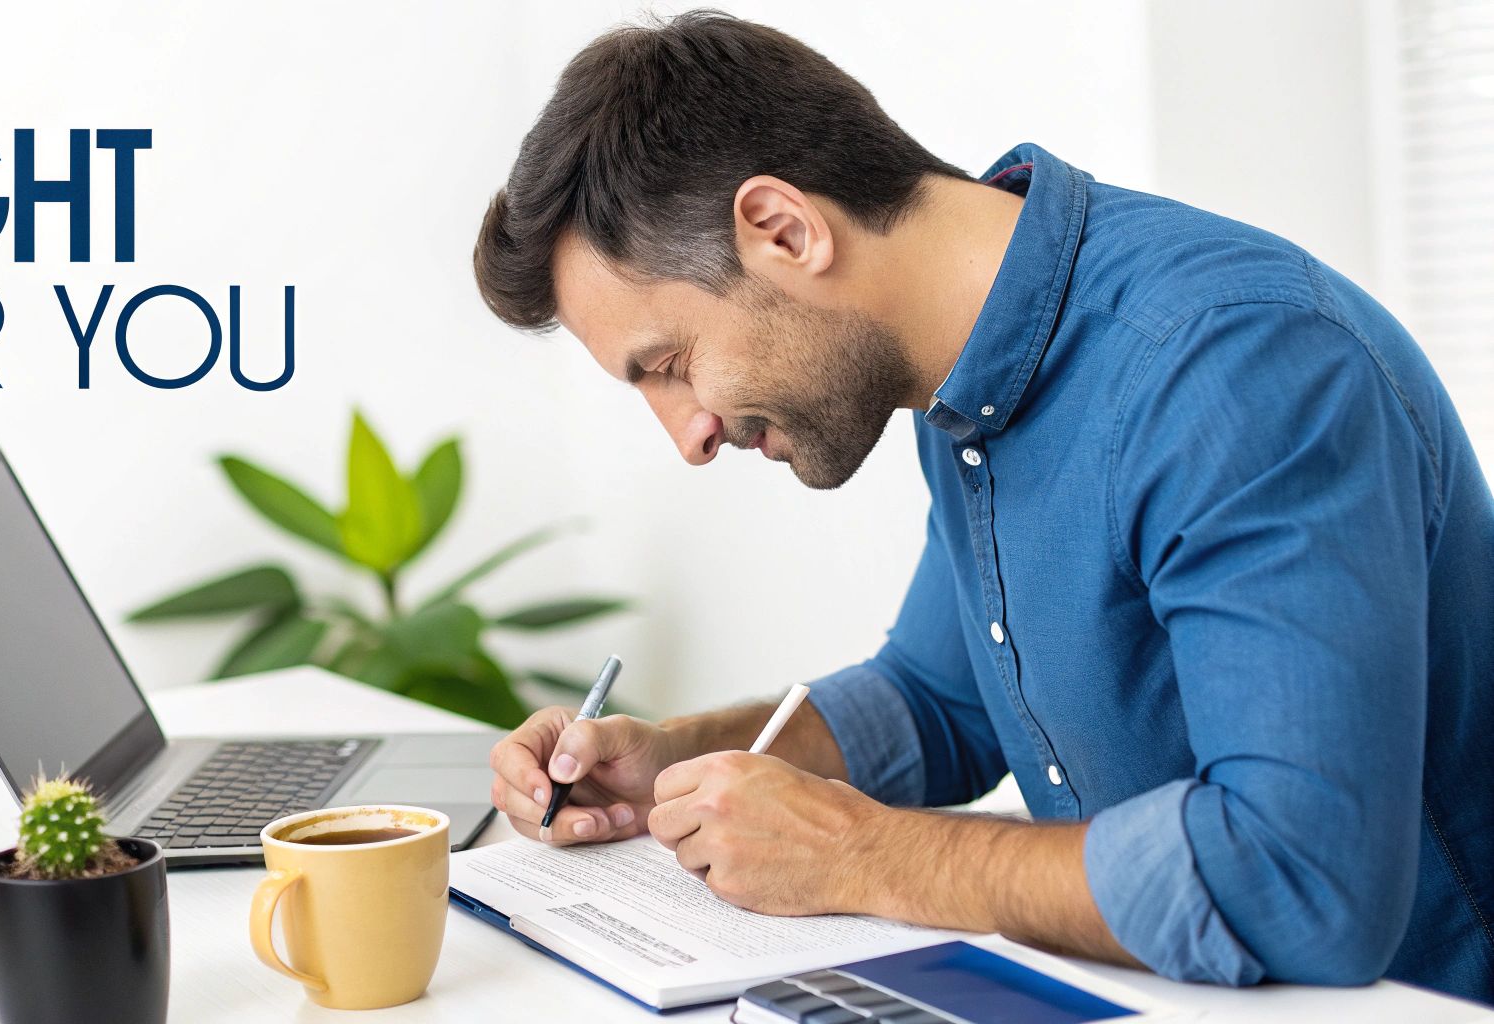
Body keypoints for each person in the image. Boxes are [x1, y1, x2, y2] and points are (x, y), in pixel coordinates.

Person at [470, 10, 1494, 1003]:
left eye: (671, 364)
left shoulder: (1234, 366)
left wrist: (861, 855)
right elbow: (935, 700)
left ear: (782, 230)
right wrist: (673, 764)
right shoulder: (959, 378)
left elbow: (1298, 877)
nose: (686, 435)